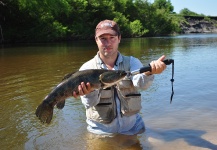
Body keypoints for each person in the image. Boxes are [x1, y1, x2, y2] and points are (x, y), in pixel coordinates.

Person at [73, 19, 166, 143]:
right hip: (100, 132)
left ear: (119, 38)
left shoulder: (132, 62)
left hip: (133, 128)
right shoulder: (86, 69)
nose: (108, 43)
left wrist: (150, 72)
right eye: (103, 38)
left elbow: (141, 83)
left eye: (112, 37)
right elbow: (88, 104)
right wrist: (88, 92)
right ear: (96, 40)